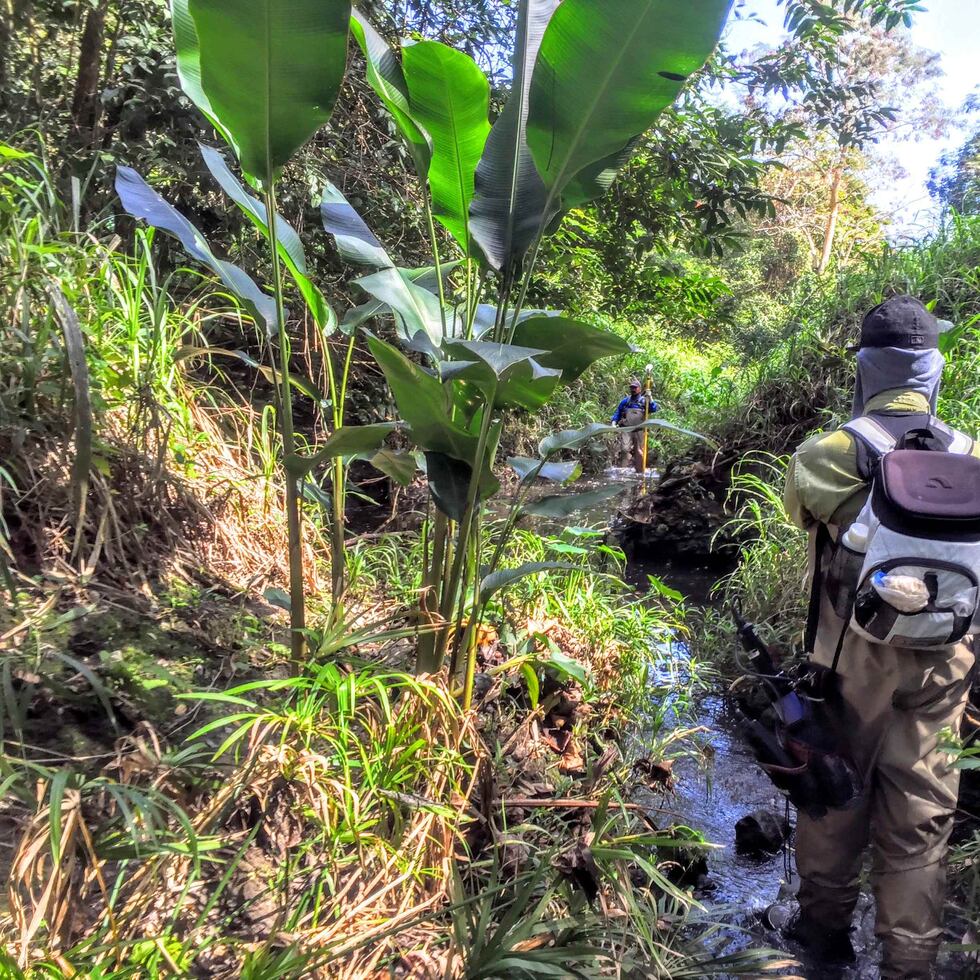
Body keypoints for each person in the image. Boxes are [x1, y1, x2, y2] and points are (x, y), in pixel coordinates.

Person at [765, 295, 978, 978]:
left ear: (867, 369)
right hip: (946, 658)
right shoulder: (972, 456)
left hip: (845, 660)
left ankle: (823, 937)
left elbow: (805, 515)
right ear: (932, 373)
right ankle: (909, 962)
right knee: (920, 815)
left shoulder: (827, 454)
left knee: (832, 793)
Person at [611, 378, 658, 473]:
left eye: (635, 387)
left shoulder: (645, 401)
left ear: (639, 389)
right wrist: (614, 422)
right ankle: (623, 470)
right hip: (626, 429)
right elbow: (618, 412)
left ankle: (640, 472)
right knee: (624, 450)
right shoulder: (625, 401)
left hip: (640, 430)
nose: (633, 389)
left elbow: (653, 409)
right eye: (631, 387)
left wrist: (650, 397)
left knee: (640, 452)